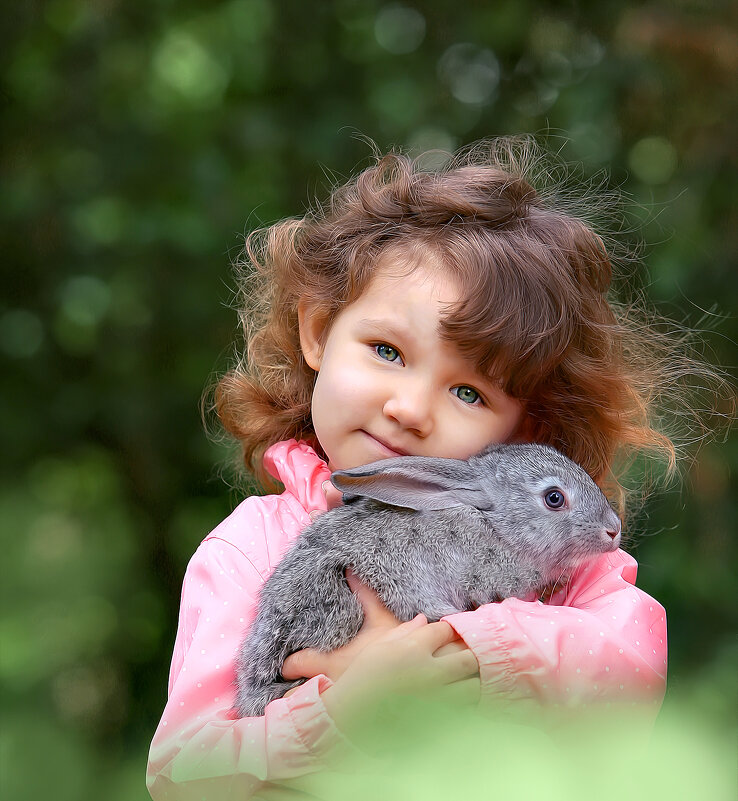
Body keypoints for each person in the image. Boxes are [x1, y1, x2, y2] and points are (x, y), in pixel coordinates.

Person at [146, 137, 711, 800]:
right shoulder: (251, 546)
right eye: (387, 349)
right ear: (320, 329)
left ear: (522, 431)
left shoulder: (557, 560)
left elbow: (630, 669)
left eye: (469, 392)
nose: (411, 408)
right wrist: (345, 707)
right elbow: (183, 773)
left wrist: (465, 648)